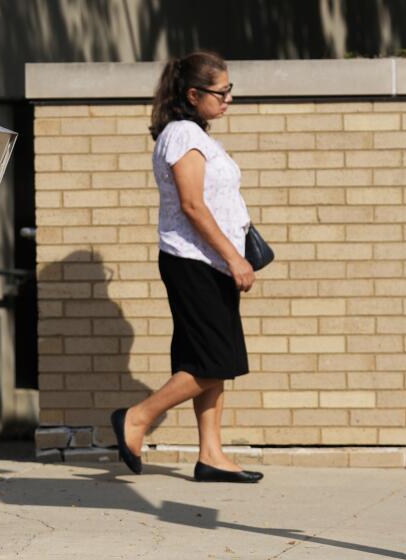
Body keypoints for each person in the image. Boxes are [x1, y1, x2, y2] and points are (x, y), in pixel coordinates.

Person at [110, 51, 262, 483]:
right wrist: (234, 258)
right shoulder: (182, 135)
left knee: (205, 358)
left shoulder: (194, 133)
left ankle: (211, 454)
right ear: (194, 94)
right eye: (222, 91)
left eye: (230, 89)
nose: (229, 98)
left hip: (207, 263)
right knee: (215, 360)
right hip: (195, 262)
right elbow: (193, 206)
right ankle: (136, 418)